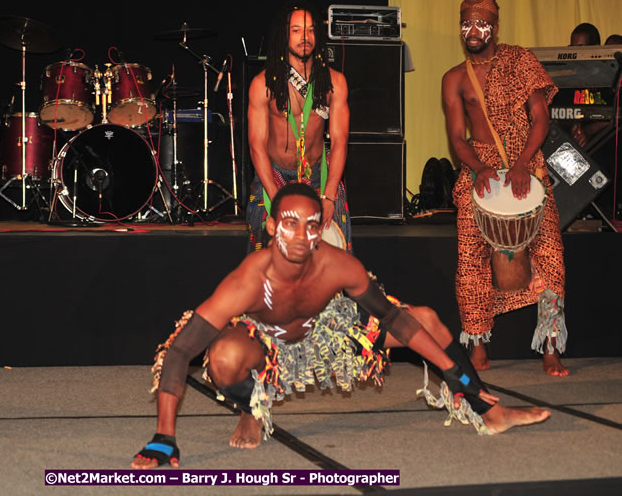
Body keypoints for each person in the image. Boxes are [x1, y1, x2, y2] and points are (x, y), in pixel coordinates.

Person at [131, 183, 550, 469]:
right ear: (272, 227)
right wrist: (164, 434)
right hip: (266, 343)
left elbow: (392, 318)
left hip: (324, 334)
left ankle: (486, 409)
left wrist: (458, 377)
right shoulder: (246, 281)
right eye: (290, 223)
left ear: (321, 231)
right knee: (222, 358)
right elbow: (182, 350)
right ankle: (251, 409)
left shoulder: (339, 266)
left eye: (311, 224)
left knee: (425, 318)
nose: (300, 235)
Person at [442, 0, 569, 377]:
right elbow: (456, 138)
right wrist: (480, 168)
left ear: (494, 28)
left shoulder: (520, 61)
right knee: (470, 260)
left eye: (480, 24)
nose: (472, 31)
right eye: (466, 24)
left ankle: (550, 345)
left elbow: (540, 119)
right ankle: (478, 343)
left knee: (551, 256)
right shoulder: (454, 78)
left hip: (526, 164)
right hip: (478, 166)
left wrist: (520, 164)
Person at [246, 3, 351, 252]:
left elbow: (339, 143)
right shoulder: (263, 85)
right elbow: (256, 146)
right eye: (296, 30)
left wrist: (328, 196)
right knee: (264, 246)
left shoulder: (335, 82)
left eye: (311, 30)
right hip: (274, 175)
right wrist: (274, 194)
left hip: (318, 175)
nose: (305, 37)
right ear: (285, 36)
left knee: (336, 246)